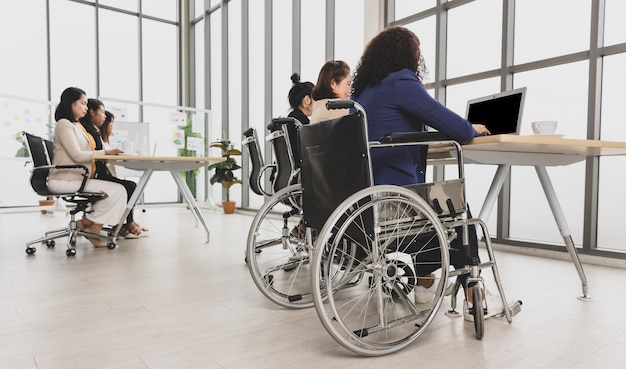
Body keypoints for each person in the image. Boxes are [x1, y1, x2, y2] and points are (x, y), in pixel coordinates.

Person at [351, 26, 491, 305]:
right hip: (396, 196)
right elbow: (456, 128)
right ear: (408, 54)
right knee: (458, 212)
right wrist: (471, 128)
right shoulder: (400, 81)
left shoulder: (363, 92)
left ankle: (425, 280)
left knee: (442, 209)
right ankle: (473, 293)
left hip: (365, 196)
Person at [47, 87, 127, 248]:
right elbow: (76, 155)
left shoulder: (76, 125)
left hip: (77, 178)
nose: (86, 107)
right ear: (71, 104)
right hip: (64, 179)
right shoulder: (64, 124)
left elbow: (86, 151)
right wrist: (106, 152)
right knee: (118, 191)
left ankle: (89, 225)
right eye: (82, 103)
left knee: (119, 190)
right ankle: (90, 225)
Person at [79, 99, 147, 239]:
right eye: (102, 112)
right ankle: (123, 224)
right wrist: (109, 153)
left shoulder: (93, 132)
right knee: (129, 187)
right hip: (93, 175)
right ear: (93, 113)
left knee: (130, 186)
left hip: (94, 173)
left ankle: (122, 223)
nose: (104, 118)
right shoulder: (88, 133)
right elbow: (86, 155)